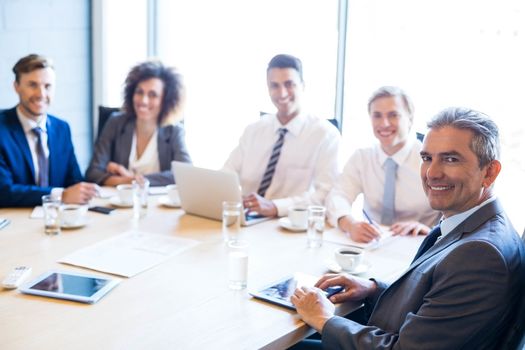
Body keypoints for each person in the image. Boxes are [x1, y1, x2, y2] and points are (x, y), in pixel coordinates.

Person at [291, 107, 525, 349]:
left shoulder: (479, 255)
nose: (432, 173)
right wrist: (373, 290)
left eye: (450, 159)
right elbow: (434, 303)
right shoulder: (473, 224)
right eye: (426, 158)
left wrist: (324, 319)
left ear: (489, 172)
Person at [223, 54, 340, 217]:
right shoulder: (253, 130)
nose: (282, 93)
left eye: (289, 84)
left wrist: (275, 207)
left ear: (303, 86)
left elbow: (326, 194)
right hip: (247, 220)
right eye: (274, 86)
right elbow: (227, 174)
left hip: (291, 225)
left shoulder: (325, 135)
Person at [326, 86, 439, 243]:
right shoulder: (362, 157)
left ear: (410, 119)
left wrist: (432, 230)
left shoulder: (431, 160)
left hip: (419, 245)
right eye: (377, 116)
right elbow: (338, 196)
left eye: (393, 115)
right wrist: (350, 224)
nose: (384, 123)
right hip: (372, 244)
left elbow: (456, 212)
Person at [0, 54, 98, 207]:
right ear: (16, 87)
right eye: (33, 85)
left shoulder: (62, 128)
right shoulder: (2, 128)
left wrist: (85, 191)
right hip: (15, 222)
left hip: (58, 220)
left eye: (47, 86)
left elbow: (74, 181)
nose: (41, 94)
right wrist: (60, 195)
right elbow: (3, 191)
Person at [85, 60, 191, 186]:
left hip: (157, 203)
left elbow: (185, 174)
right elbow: (93, 173)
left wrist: (133, 178)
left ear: (166, 101)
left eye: (153, 95)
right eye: (139, 92)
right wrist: (130, 180)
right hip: (121, 202)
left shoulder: (174, 131)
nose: (144, 101)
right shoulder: (115, 123)